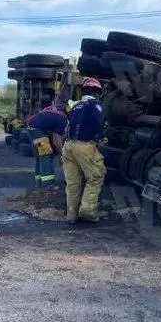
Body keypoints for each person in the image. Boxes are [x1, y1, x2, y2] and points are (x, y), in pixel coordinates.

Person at [62, 77, 106, 223]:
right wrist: (101, 137)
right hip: (84, 146)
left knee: (73, 182)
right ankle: (88, 210)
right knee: (96, 176)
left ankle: (71, 215)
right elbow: (98, 124)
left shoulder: (76, 105)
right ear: (97, 92)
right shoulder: (95, 105)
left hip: (68, 146)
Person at [26, 97, 69, 186]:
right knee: (46, 155)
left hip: (31, 129)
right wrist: (62, 154)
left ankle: (39, 182)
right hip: (38, 132)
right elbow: (57, 139)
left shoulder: (56, 110)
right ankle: (48, 184)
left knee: (39, 157)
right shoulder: (63, 119)